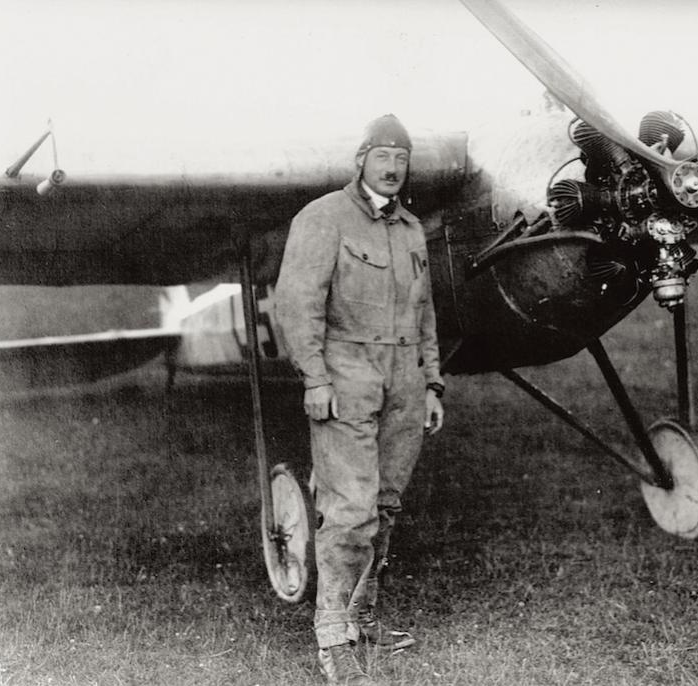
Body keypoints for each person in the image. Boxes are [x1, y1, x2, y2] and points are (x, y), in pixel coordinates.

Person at [274, 114, 445, 686]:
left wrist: (433, 383)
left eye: (402, 158)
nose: (393, 168)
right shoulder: (323, 218)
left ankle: (363, 618)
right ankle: (332, 637)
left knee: (386, 505)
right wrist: (316, 379)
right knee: (350, 511)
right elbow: (297, 305)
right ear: (361, 161)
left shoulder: (412, 229)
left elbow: (425, 316)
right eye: (382, 157)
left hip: (404, 380)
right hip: (347, 374)